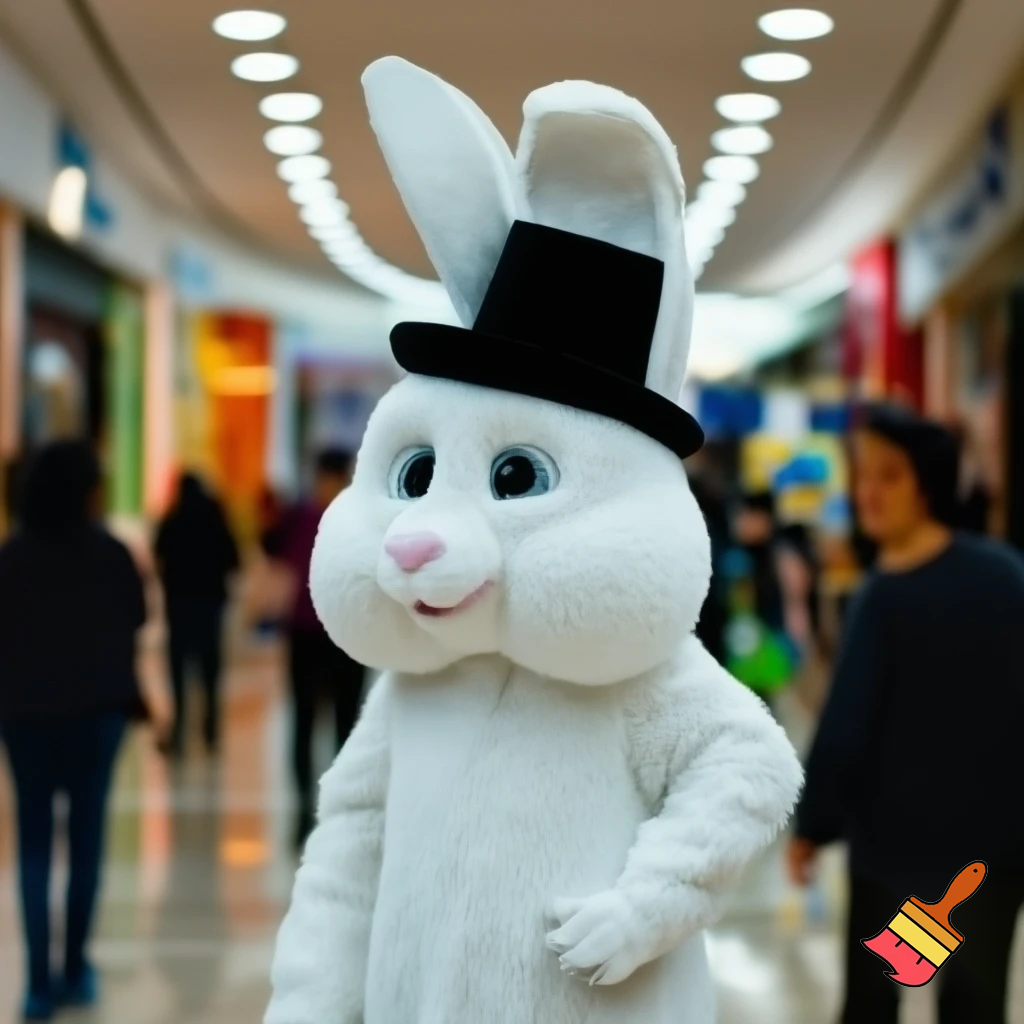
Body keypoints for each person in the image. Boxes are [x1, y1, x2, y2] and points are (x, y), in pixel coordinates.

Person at [787, 404, 1024, 1024]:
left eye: (888, 475)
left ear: (928, 481)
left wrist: (812, 827)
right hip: (986, 864)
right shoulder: (1005, 575)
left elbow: (845, 729)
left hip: (899, 865)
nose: (867, 491)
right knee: (975, 1008)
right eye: (862, 474)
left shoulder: (885, 595)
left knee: (874, 1001)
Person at [0, 441, 147, 1020]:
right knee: (86, 844)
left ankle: (37, 984)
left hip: (25, 715)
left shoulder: (10, 558)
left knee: (34, 846)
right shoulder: (110, 554)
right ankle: (75, 969)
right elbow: (137, 619)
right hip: (96, 715)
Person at [263, 449, 366, 849]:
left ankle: (337, 810)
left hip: (346, 636)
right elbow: (276, 563)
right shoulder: (298, 517)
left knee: (345, 725)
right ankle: (303, 807)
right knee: (304, 723)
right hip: (305, 635)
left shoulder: (361, 517)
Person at [155, 472, 239, 756]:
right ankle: (211, 732)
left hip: (178, 606)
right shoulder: (215, 518)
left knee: (178, 672)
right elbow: (233, 559)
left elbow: (159, 554)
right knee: (209, 672)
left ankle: (179, 733)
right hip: (209, 606)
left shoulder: (173, 518)